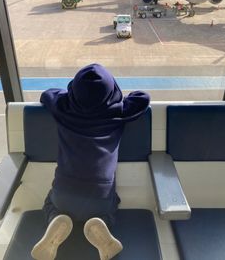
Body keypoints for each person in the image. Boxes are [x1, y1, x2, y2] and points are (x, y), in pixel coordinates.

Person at [31, 63, 150, 260]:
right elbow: (142, 98)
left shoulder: (62, 108)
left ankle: (55, 219)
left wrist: (66, 97)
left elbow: (47, 94)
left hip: (64, 191)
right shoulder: (118, 112)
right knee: (112, 204)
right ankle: (101, 223)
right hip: (100, 196)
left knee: (49, 202)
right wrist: (116, 98)